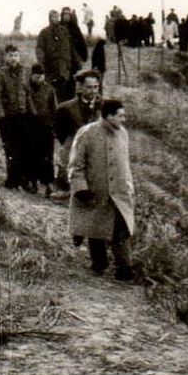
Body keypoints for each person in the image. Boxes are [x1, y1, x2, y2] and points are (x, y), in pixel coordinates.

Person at [68, 97, 135, 281]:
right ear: (108, 116)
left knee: (121, 229)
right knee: (95, 228)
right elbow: (76, 164)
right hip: (96, 191)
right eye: (121, 116)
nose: (124, 120)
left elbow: (125, 163)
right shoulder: (87, 133)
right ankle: (99, 264)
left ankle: (125, 269)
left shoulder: (123, 134)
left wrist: (129, 186)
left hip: (120, 192)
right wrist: (80, 188)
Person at [51, 71, 101, 193]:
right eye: (89, 87)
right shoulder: (67, 108)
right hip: (73, 146)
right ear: (80, 87)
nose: (93, 91)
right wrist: (71, 141)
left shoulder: (103, 107)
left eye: (95, 87)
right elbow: (58, 129)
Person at [0, 44, 32, 188]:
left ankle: (24, 180)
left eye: (15, 55)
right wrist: (1, 117)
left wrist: (32, 113)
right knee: (10, 149)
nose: (13, 58)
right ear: (5, 57)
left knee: (25, 148)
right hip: (8, 118)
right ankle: (12, 180)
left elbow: (29, 94)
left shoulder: (26, 72)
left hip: (24, 116)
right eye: (10, 55)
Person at [26, 64, 58, 195]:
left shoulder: (50, 89)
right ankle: (33, 183)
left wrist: (54, 125)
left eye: (41, 75)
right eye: (36, 75)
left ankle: (48, 184)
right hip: (30, 126)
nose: (39, 78)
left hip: (46, 126)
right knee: (32, 154)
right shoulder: (25, 88)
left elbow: (55, 109)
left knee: (47, 156)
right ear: (32, 75)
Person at [37, 9, 82, 102]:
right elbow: (39, 49)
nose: (57, 19)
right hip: (51, 68)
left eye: (58, 17)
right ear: (50, 18)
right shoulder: (44, 33)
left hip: (65, 67)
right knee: (53, 93)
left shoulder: (64, 31)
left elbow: (71, 48)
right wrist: (41, 62)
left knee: (67, 93)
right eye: (54, 17)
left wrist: (77, 62)